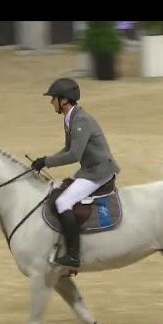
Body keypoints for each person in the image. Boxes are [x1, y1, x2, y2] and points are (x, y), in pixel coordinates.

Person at [31, 78, 120, 268]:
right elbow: (66, 148)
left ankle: (73, 254)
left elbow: (73, 154)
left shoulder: (81, 120)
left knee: (63, 202)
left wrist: (47, 161)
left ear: (64, 100)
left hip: (99, 172)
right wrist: (44, 161)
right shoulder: (70, 118)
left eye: (53, 98)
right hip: (88, 169)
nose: (51, 102)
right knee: (57, 189)